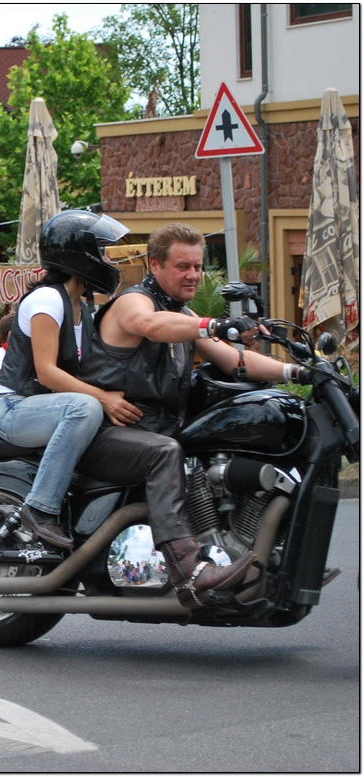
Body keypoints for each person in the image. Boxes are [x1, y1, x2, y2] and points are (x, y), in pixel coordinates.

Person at [76, 221, 297, 608]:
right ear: (155, 265)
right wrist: (214, 324)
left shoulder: (182, 313)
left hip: (155, 430)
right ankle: (189, 572)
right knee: (165, 453)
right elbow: (151, 326)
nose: (193, 274)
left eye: (197, 266)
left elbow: (235, 361)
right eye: (183, 266)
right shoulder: (133, 302)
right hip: (110, 431)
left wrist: (295, 371)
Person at [0, 211, 140, 548]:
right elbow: (47, 372)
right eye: (100, 252)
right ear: (80, 255)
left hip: (48, 408)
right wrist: (103, 397)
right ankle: (40, 508)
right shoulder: (47, 300)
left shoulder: (83, 308)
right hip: (15, 408)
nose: (105, 260)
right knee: (85, 407)